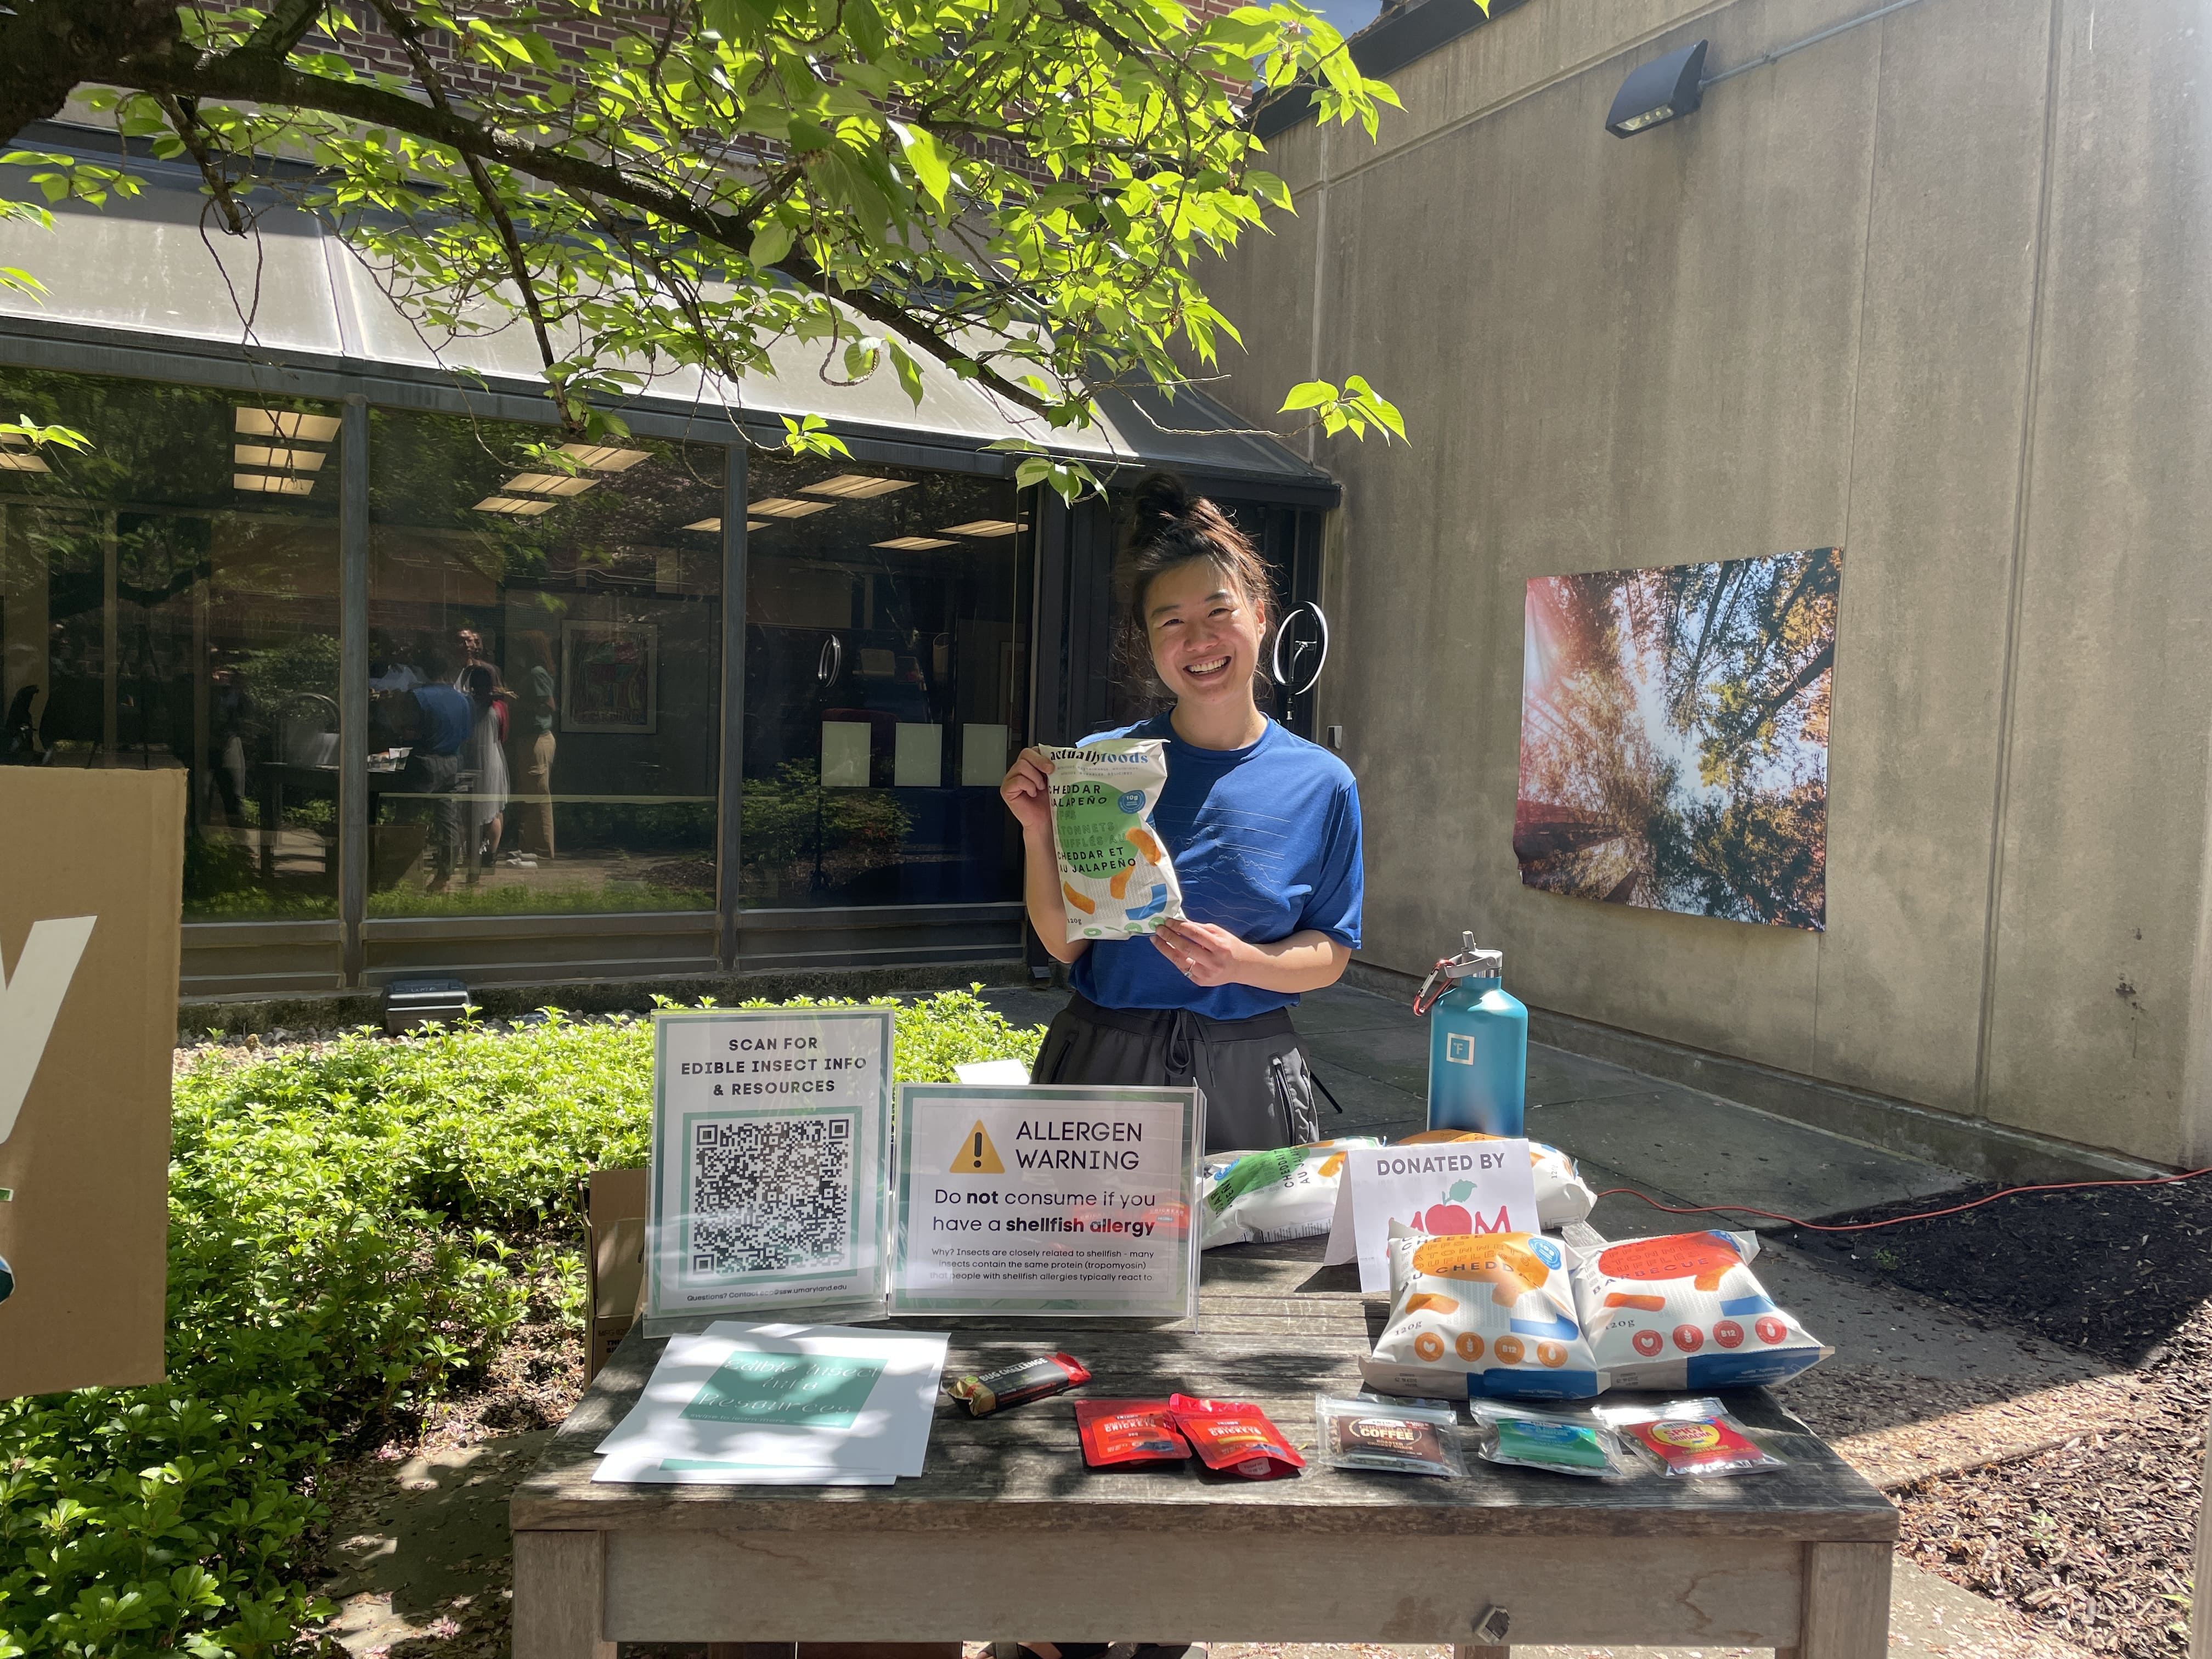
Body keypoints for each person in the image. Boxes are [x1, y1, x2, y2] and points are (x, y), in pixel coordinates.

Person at [1000, 474, 1364, 1156]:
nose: (1198, 640)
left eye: (1218, 612)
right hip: (1106, 1062)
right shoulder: (1098, 768)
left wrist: (1245, 963)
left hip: (1250, 1070)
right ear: (1148, 639)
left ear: (1260, 616)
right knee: (1092, 1256)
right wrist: (1037, 833)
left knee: (1253, 1256)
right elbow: (1067, 944)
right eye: (1171, 620)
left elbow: (1329, 953)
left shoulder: (1322, 783)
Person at [400, 651, 473, 890]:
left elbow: (409, 731)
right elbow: (466, 734)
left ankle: (401, 872)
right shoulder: (463, 700)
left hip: (424, 761)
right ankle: (444, 876)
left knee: (407, 818)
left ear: (423, 672)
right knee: (448, 820)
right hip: (453, 761)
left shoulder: (418, 697)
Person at [461, 663, 512, 872]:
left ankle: (472, 853)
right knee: (494, 809)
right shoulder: (500, 707)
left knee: (469, 808)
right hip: (493, 757)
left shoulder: (466, 704)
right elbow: (504, 735)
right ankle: (491, 855)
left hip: (470, 757)